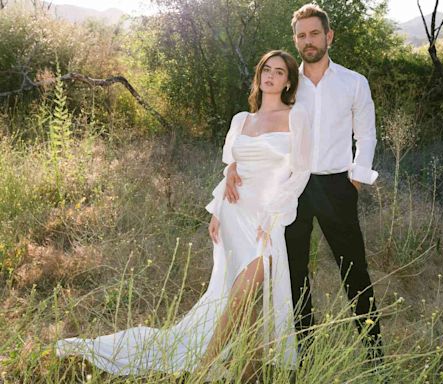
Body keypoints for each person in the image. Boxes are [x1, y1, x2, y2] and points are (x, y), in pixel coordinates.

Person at [55, 50, 312, 381]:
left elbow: (301, 171)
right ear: (259, 75)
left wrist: (274, 216)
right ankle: (247, 369)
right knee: (240, 296)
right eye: (266, 69)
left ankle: (205, 368)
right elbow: (232, 164)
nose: (271, 76)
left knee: (247, 290)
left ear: (288, 80)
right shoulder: (241, 120)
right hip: (235, 213)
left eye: (279, 72)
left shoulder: (296, 116)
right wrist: (218, 207)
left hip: (267, 217)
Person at [224, 4, 384, 362]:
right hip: (288, 188)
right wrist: (235, 163)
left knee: (354, 271)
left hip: (335, 186)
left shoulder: (353, 82)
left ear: (328, 36)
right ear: (295, 40)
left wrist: (355, 181)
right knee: (293, 274)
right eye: (301, 35)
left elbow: (367, 135)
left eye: (314, 33)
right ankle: (304, 356)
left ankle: (376, 358)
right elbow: (258, 124)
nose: (308, 41)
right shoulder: (287, 83)